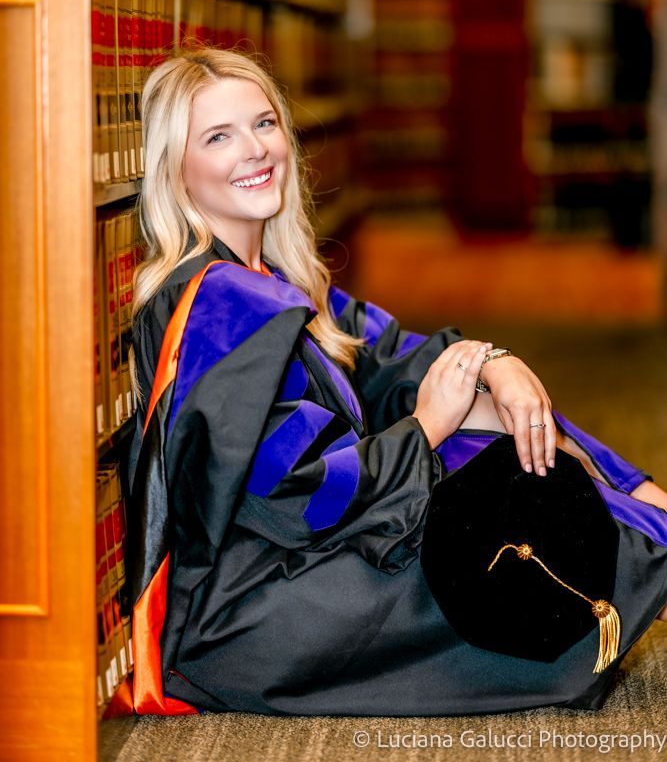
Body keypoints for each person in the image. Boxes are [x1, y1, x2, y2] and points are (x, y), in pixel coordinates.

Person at [122, 46, 667, 718]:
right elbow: (294, 497)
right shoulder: (219, 308)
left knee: (495, 416)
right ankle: (645, 519)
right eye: (218, 137)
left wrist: (492, 362)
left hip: (304, 560)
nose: (254, 151)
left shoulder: (276, 283)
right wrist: (428, 428)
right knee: (519, 553)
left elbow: (387, 356)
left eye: (263, 124)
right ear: (176, 170)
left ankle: (645, 502)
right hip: (254, 606)